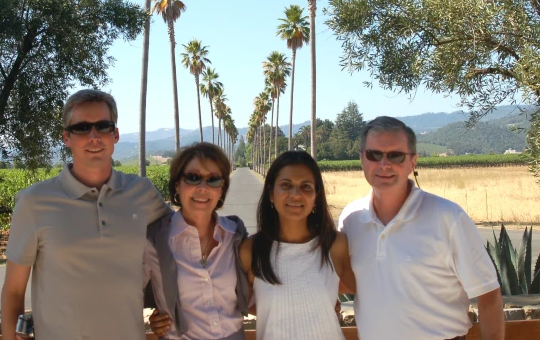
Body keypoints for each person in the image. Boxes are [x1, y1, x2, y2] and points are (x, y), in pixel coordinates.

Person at [0, 89, 171, 340]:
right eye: (81, 128)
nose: (94, 136)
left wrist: (167, 309)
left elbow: (183, 242)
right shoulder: (34, 202)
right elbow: (13, 291)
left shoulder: (141, 193)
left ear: (115, 135)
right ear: (66, 137)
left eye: (103, 126)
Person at [338, 116, 505, 340]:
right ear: (362, 158)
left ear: (412, 162)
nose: (384, 164)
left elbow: (489, 295)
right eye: (374, 154)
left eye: (395, 155)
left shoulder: (449, 218)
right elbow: (339, 282)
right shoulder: (351, 219)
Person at [238, 151, 355, 340]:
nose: (296, 194)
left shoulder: (335, 245)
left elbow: (366, 289)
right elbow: (245, 303)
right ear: (271, 194)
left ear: (316, 196)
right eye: (286, 185)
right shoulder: (251, 251)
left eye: (306, 186)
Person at [145, 142, 250, 340]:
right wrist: (157, 315)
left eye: (213, 180)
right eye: (193, 178)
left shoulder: (235, 235)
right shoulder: (155, 240)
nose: (203, 188)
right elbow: (127, 290)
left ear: (221, 189)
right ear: (177, 185)